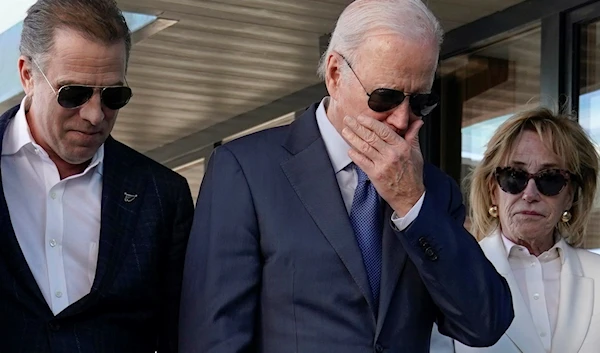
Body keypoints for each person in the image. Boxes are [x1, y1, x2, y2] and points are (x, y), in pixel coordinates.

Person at [180, 1, 513, 352]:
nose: (401, 120)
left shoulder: (433, 192)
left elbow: (484, 324)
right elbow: (213, 337)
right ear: (335, 74)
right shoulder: (246, 170)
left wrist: (413, 204)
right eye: (385, 97)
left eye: (420, 102)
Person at [0, 0, 194, 352]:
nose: (94, 114)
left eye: (113, 96)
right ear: (27, 74)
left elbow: (178, 334)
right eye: (73, 93)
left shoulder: (162, 195)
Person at [430, 107, 600, 353]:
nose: (530, 194)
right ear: (492, 189)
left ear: (570, 194)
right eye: (514, 176)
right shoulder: (453, 277)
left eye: (550, 179)